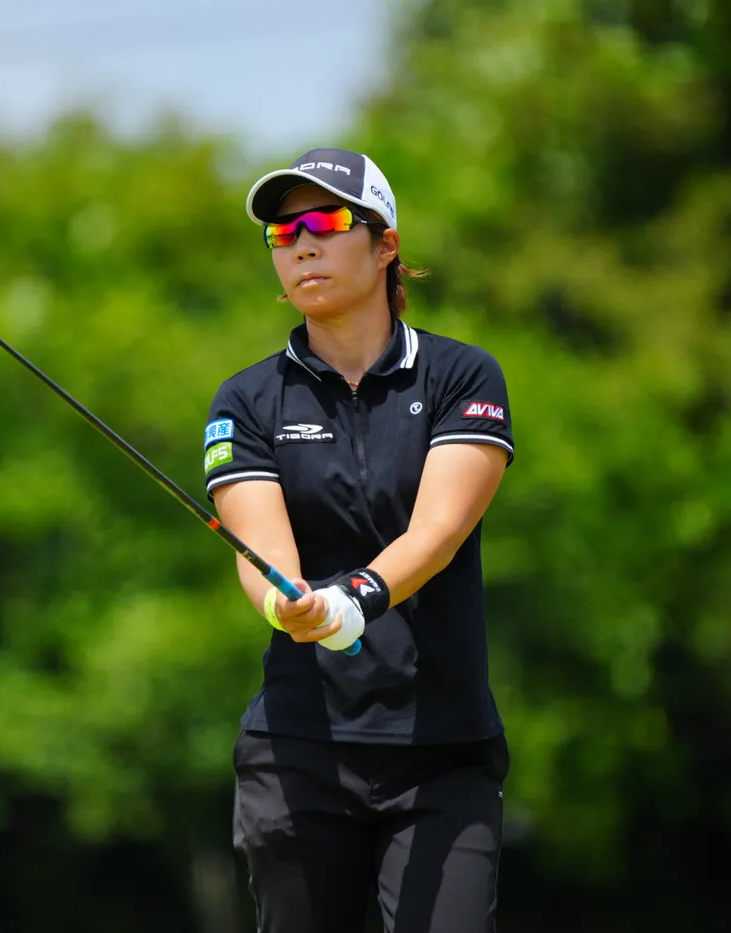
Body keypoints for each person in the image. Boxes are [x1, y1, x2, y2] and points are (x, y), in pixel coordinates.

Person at [204, 148, 515, 933]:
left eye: (326, 221)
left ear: (385, 245)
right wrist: (289, 605)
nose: (302, 244)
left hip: (442, 747)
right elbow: (263, 555)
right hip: (298, 749)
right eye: (283, 233)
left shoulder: (461, 377)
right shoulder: (247, 399)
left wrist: (356, 598)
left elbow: (439, 529)